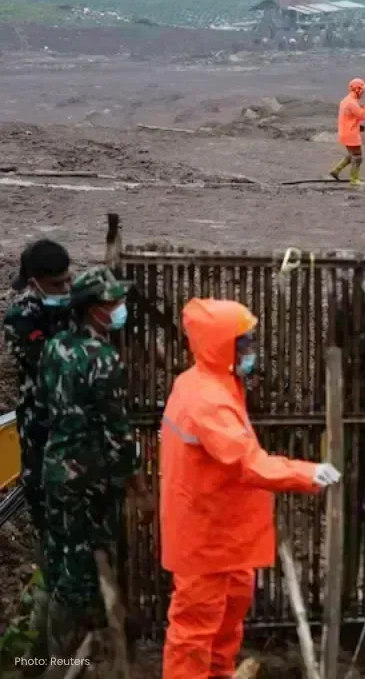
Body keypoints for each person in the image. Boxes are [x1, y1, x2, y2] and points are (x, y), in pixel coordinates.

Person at [160, 298, 342, 678]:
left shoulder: (213, 382)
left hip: (223, 530)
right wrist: (308, 473)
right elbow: (247, 462)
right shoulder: (207, 399)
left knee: (226, 621)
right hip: (205, 536)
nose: (250, 350)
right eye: (242, 342)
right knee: (195, 631)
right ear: (220, 345)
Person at [39, 267, 150, 663]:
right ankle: (73, 658)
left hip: (56, 470)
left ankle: (48, 652)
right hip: (89, 478)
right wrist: (137, 482)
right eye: (113, 303)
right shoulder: (103, 359)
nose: (120, 309)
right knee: (86, 569)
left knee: (59, 559)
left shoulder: (54, 347)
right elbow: (117, 431)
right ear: (94, 310)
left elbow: (41, 408)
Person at [2, 239, 73, 662]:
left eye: (69, 281)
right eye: (57, 283)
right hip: (43, 444)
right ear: (35, 284)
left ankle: (50, 646)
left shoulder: (61, 304)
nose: (66, 287)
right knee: (53, 547)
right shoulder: (21, 318)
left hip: (68, 442)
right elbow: (59, 358)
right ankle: (50, 655)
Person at [329, 78, 365, 185]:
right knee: (358, 156)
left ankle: (335, 171)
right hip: (350, 134)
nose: (363, 92)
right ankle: (354, 179)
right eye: (362, 90)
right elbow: (362, 115)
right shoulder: (351, 103)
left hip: (345, 132)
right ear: (357, 89)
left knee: (352, 154)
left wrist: (358, 126)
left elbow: (348, 118)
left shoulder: (345, 101)